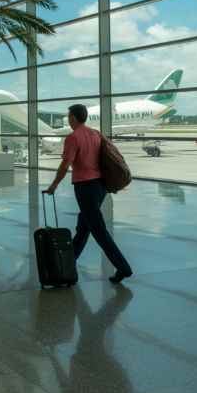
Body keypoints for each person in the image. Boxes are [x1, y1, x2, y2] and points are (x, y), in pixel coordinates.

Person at [44, 104, 133, 284]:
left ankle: (124, 268)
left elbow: (65, 165)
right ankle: (68, 264)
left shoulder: (73, 138)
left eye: (69, 116)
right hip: (100, 187)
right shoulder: (95, 134)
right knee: (83, 228)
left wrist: (54, 185)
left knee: (98, 230)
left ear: (74, 118)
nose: (68, 120)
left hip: (85, 187)